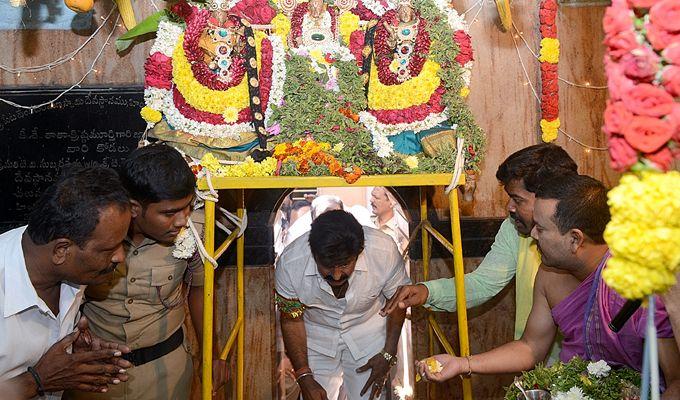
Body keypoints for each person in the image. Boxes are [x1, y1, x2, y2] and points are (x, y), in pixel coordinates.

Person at [416, 175, 680, 396]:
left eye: (541, 229)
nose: (532, 235)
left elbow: (676, 381)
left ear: (575, 239)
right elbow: (531, 347)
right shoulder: (549, 273)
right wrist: (462, 364)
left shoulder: (645, 284)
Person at [382, 144, 577, 355]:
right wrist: (427, 292)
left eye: (518, 199)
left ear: (549, 199)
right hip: (534, 365)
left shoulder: (596, 240)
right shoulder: (514, 228)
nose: (509, 207)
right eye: (509, 198)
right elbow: (483, 283)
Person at [63, 144, 224, 400]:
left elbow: (200, 289)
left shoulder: (195, 231)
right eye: (169, 213)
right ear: (134, 208)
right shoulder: (93, 232)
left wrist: (211, 355)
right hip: (94, 376)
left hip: (167, 374)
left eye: (188, 207)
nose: (182, 220)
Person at [0, 166, 133, 399]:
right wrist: (38, 380)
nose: (120, 257)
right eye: (108, 249)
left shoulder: (71, 271)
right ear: (61, 250)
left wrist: (72, 353)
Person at [275, 210, 410, 400]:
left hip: (368, 335)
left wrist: (388, 352)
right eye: (328, 265)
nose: (337, 275)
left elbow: (399, 302)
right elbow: (291, 319)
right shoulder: (290, 264)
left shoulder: (383, 251)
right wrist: (304, 375)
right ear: (314, 254)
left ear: (359, 251)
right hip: (316, 338)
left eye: (345, 265)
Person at [370, 187, 409, 254]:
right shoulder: (368, 223)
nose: (371, 200)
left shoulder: (403, 232)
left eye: (376, 198)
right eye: (372, 196)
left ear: (391, 203)